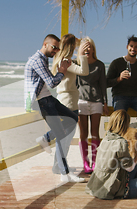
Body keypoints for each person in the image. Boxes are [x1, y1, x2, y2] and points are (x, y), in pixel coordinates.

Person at [24, 34, 84, 183]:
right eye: (54, 47)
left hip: (47, 98)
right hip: (40, 101)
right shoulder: (37, 60)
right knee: (62, 134)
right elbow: (51, 82)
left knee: (73, 118)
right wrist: (62, 71)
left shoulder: (44, 59)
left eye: (58, 48)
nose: (56, 50)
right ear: (45, 44)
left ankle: (45, 138)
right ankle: (65, 174)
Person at [39, 33, 89, 175]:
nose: (76, 49)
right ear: (70, 47)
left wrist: (81, 46)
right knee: (65, 137)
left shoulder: (60, 59)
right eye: (74, 47)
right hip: (68, 103)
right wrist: (82, 55)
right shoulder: (65, 61)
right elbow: (84, 71)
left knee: (65, 137)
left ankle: (58, 165)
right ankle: (46, 139)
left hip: (69, 101)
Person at [76, 37, 108, 174]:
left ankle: (95, 161)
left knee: (95, 133)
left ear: (94, 49)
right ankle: (85, 162)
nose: (88, 49)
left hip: (96, 101)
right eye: (85, 46)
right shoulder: (75, 63)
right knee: (83, 133)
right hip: (81, 101)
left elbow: (103, 85)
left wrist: (105, 102)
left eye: (90, 47)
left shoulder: (100, 65)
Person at [106, 35, 137, 117]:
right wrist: (119, 78)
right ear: (127, 47)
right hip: (119, 97)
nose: (133, 49)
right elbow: (107, 83)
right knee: (119, 118)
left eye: (136, 47)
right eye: (131, 46)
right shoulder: (116, 63)